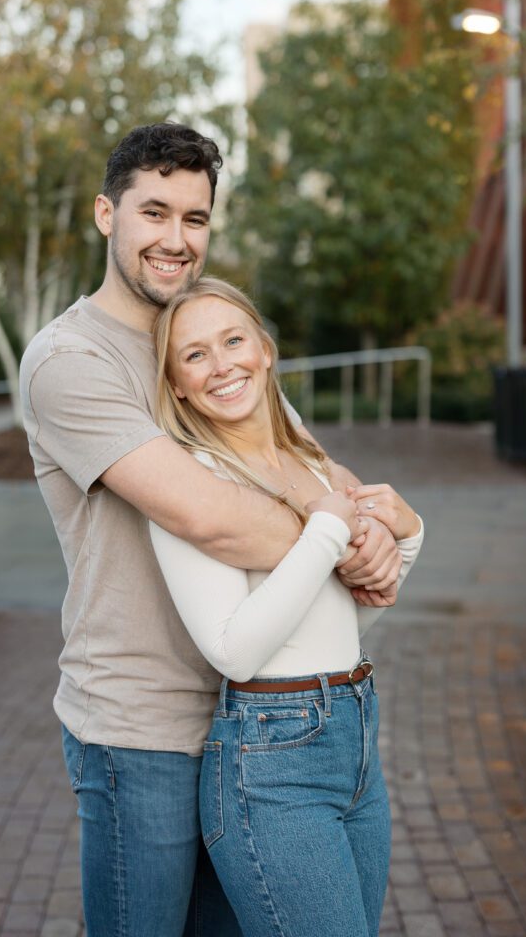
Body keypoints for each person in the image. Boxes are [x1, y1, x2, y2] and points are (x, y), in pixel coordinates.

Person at [19, 122, 404, 937]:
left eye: (194, 219)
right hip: (143, 729)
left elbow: (310, 469)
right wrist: (339, 537)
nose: (174, 238)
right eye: (153, 212)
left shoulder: (210, 342)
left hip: (257, 728)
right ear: (104, 214)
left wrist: (371, 526)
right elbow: (206, 514)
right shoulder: (70, 361)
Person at [150, 276, 424, 937]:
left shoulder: (311, 462)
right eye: (194, 355)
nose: (220, 365)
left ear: (265, 350)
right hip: (270, 766)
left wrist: (408, 540)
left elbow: (341, 621)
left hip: (354, 734)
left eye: (232, 340)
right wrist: (327, 531)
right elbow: (234, 649)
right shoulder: (191, 478)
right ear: (177, 385)